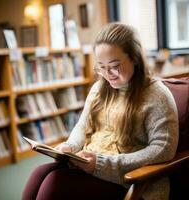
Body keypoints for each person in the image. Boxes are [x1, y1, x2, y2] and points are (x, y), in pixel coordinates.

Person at [22, 23, 178, 200]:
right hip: (90, 166)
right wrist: (69, 147)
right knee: (39, 175)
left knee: (54, 184)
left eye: (114, 65)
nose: (107, 73)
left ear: (134, 58)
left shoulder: (157, 95)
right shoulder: (98, 88)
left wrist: (102, 164)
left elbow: (163, 150)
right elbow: (83, 127)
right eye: (101, 67)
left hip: (128, 178)